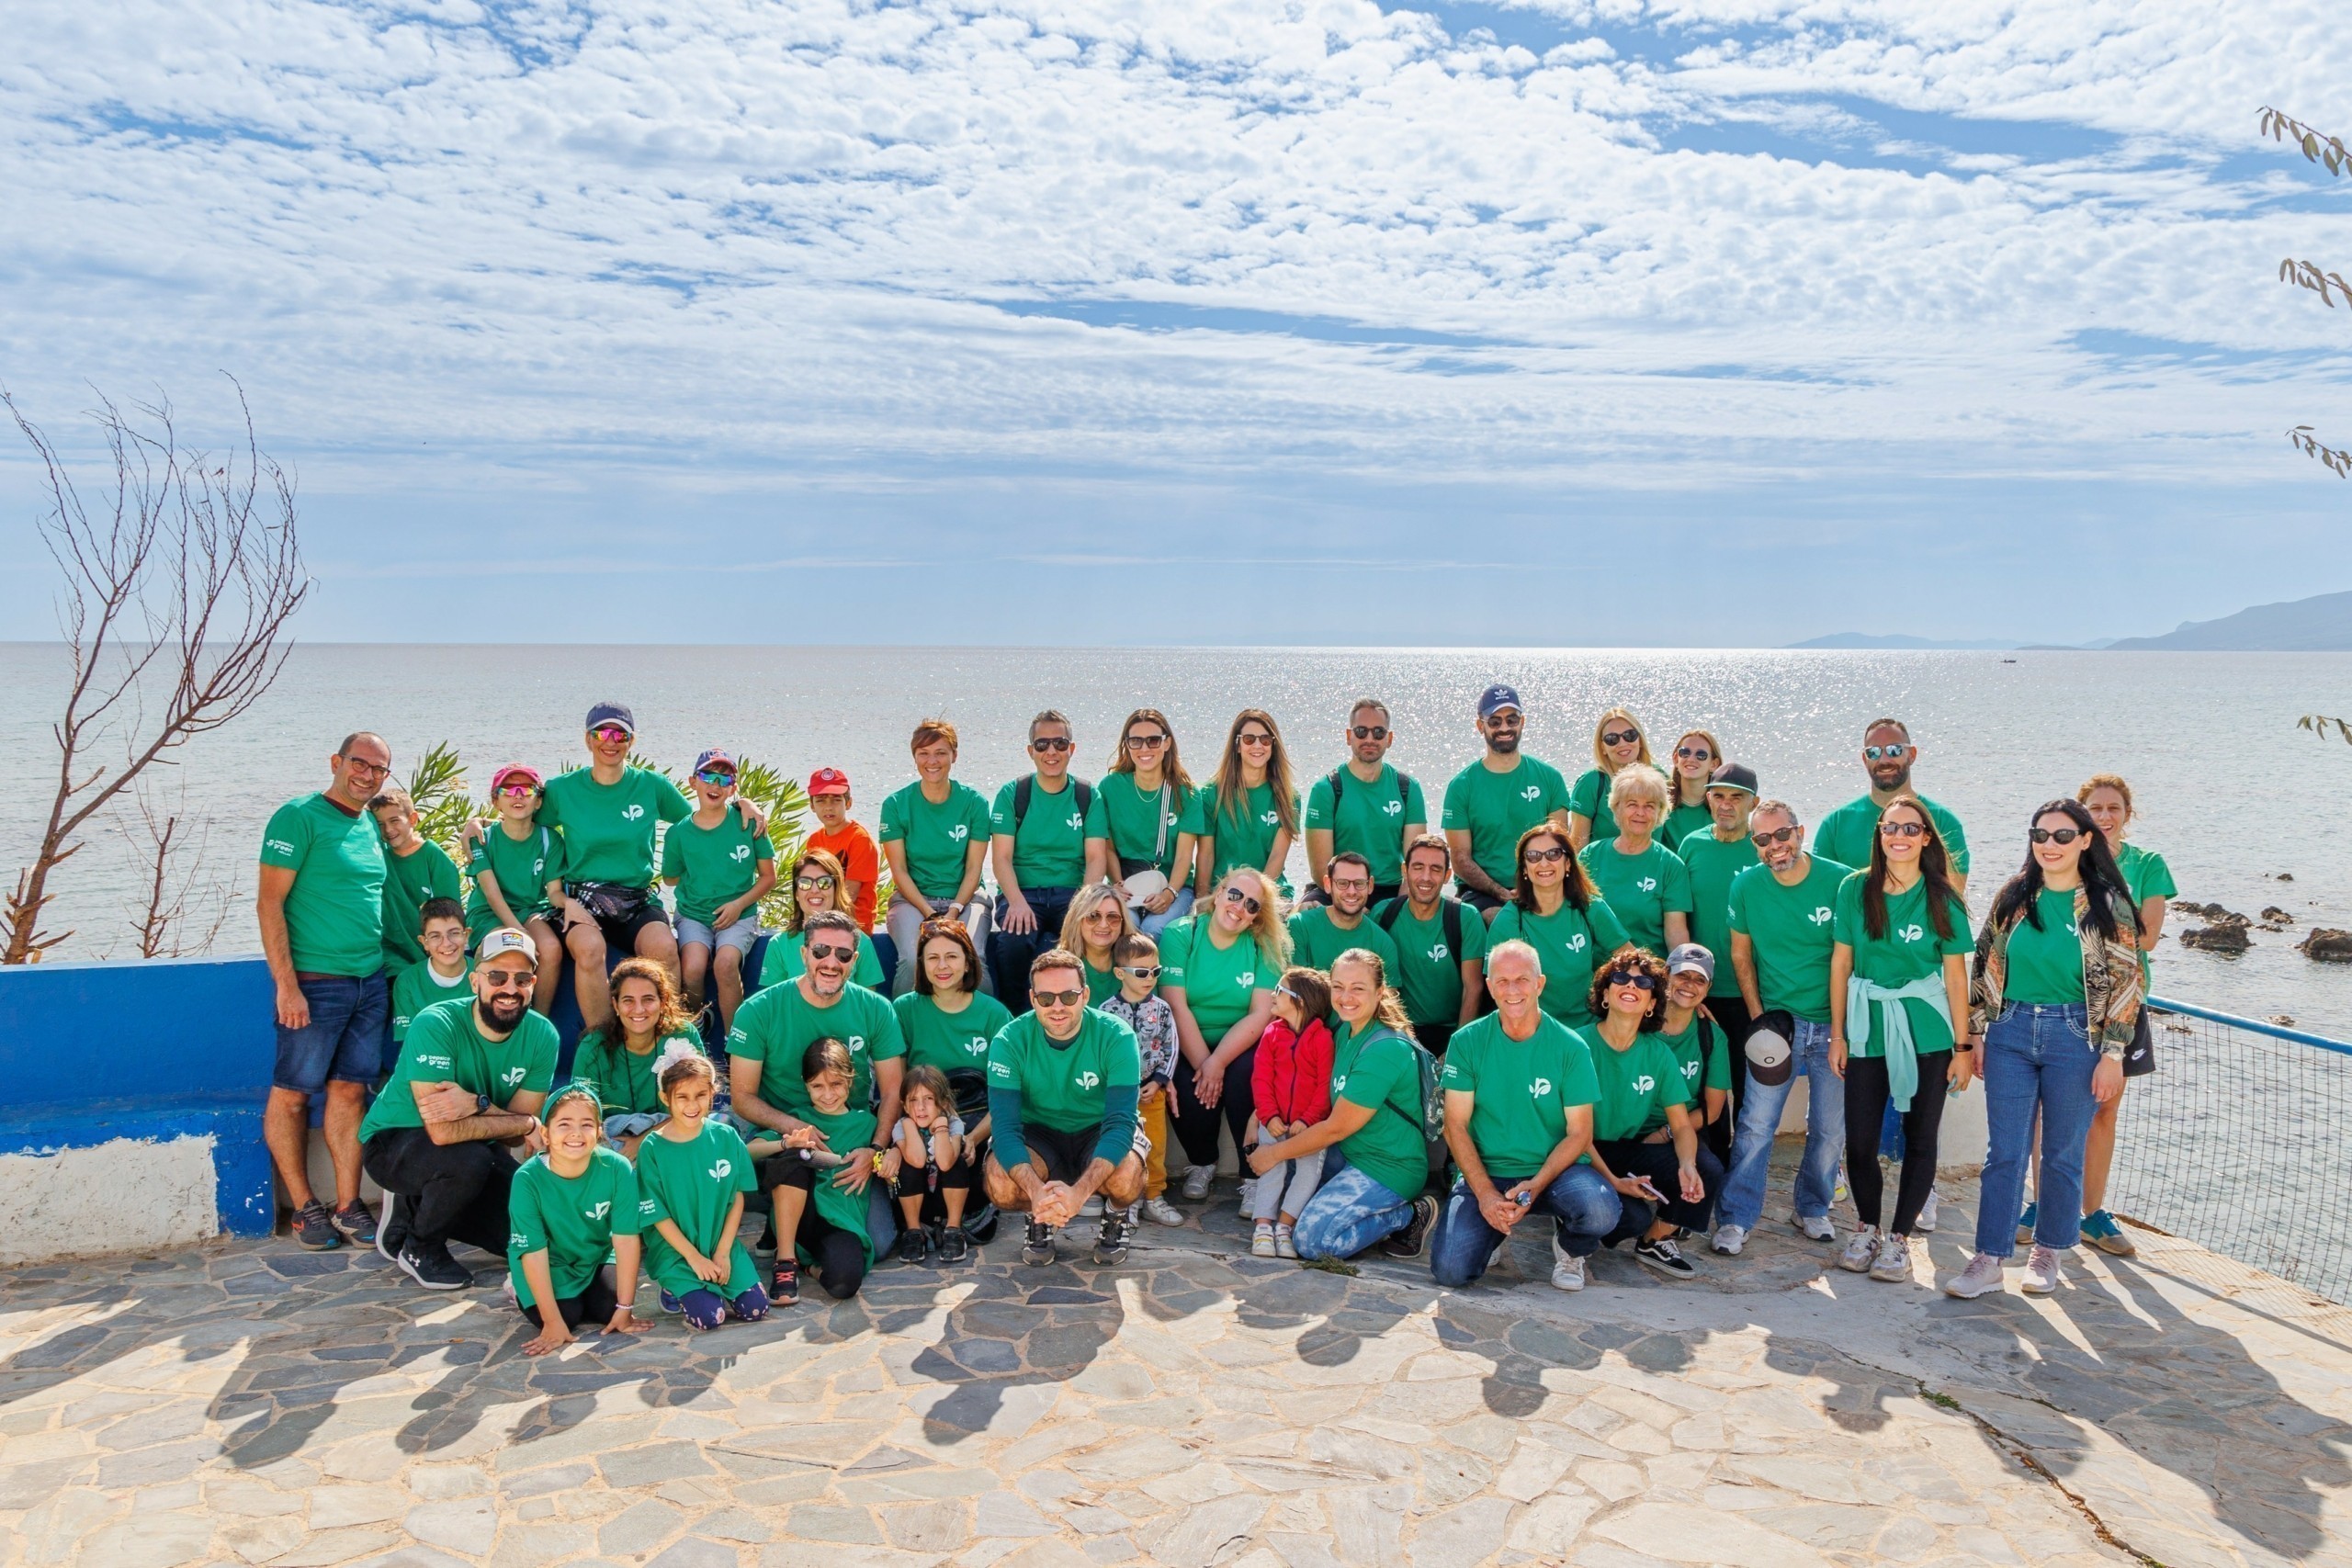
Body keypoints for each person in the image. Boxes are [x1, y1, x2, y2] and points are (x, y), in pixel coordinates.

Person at [1945, 800, 2143, 1300]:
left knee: (2061, 1153)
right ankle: (1989, 1259)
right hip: (2010, 1031)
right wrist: (1976, 1033)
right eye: (2040, 835)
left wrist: (2113, 1055)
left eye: (2061, 836)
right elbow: (1983, 963)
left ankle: (2048, 1251)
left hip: (2076, 1037)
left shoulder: (2106, 904)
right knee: (2004, 1153)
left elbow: (2127, 980)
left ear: (2085, 841)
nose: (2049, 845)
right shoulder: (2014, 896)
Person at [360, 927, 559, 1291]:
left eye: (522, 979)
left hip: (474, 1146)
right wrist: (521, 1122)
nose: (510, 989)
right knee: (468, 1162)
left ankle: (415, 1206)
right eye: (497, 977)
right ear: (475, 981)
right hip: (395, 1139)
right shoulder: (435, 1023)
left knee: (533, 1229)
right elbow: (443, 1131)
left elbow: (516, 1133)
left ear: (533, 984)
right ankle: (421, 1248)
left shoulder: (543, 1035)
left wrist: (478, 1105)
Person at [1826, 799, 1974, 1282]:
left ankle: (1898, 1240)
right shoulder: (1855, 888)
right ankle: (1867, 1228)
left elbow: (1956, 977)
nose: (1900, 836)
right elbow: (1842, 963)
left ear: (1926, 837)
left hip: (1927, 1029)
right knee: (1861, 1140)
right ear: (1880, 834)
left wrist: (1962, 1048)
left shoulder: (1943, 897)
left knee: (1920, 1138)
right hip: (1867, 1026)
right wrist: (1838, 1035)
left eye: (1911, 828)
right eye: (1891, 827)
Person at [539, 703, 754, 1032]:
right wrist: (479, 825)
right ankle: (602, 1044)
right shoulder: (562, 790)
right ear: (588, 739)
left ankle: (670, 1037)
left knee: (665, 948)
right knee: (590, 950)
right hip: (582, 901)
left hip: (636, 900)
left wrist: (742, 803)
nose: (611, 742)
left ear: (632, 741)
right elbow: (520, 821)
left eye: (620, 735)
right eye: (602, 733)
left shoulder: (651, 786)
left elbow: (700, 821)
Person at [259, 730, 393, 1252]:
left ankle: (347, 1204)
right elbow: (269, 904)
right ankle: (303, 1206)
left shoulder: (367, 824)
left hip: (369, 981)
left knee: (350, 1092)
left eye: (378, 769)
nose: (367, 775)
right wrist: (286, 986)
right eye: (359, 763)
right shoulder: (297, 817)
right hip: (315, 983)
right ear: (336, 761)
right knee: (293, 1094)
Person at [728, 908, 908, 1299]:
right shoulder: (759, 1009)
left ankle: (791, 1232)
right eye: (821, 951)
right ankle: (784, 1240)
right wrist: (794, 1129)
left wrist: (875, 1150)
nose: (831, 962)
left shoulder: (876, 1009)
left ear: (854, 960)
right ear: (804, 954)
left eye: (843, 955)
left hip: (850, 1138)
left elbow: (893, 1091)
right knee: (781, 1163)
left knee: (878, 1244)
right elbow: (742, 1097)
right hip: (783, 1140)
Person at [1427, 941, 1621, 1292]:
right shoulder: (1466, 1041)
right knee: (1450, 1271)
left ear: (1540, 984)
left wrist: (1537, 1184)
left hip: (1555, 1172)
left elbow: (1580, 1133)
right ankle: (1491, 1229)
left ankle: (1570, 1247)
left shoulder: (1571, 1047)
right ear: (1489, 987)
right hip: (1489, 1170)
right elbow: (1455, 1125)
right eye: (1502, 981)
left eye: (1522, 980)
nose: (1512, 990)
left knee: (1602, 1210)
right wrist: (1486, 1194)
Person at [1714, 800, 1852, 1256]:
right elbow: (1740, 955)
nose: (1774, 845)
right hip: (1779, 1024)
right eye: (1762, 838)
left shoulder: (1841, 882)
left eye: (1782, 834)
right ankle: (1735, 1218)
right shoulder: (1745, 886)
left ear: (1800, 832)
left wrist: (1842, 1029)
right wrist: (1760, 1021)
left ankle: (1812, 1207)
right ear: (1754, 844)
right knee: (1756, 1125)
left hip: (1832, 1025)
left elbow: (1851, 957)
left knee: (1830, 1130)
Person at [1253, 950, 1439, 1262]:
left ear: (1379, 992)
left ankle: (1408, 1215)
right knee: (1287, 1168)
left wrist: (1271, 1154)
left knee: (1311, 1241)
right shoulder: (1342, 1028)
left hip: (1386, 1166)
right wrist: (1259, 1117)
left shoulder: (1385, 1049)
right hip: (1346, 1154)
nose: (1345, 997)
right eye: (1338, 987)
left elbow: (1335, 1128)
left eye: (1358, 988)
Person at [982, 949, 1150, 1267]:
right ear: (1033, 999)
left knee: (1127, 1177)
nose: (1057, 1007)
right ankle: (1040, 1213)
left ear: (1085, 995)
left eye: (1068, 996)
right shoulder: (1009, 1041)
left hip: (1098, 1128)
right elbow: (1004, 1129)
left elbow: (1120, 1123)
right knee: (1000, 1184)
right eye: (1046, 998)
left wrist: (1079, 1194)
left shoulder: (1117, 1036)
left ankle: (1115, 1215)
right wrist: (1036, 1192)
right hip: (1038, 1133)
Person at [2070, 773, 2173, 1258]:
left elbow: (2148, 938)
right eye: (2096, 808)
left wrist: (2097, 910)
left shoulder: (2147, 864)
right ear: (2082, 813)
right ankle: (2044, 1205)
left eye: (2114, 808)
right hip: (2066, 999)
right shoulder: (2064, 855)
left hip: (2124, 1001)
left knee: (2104, 1109)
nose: (2105, 816)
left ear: (2127, 814)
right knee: (2051, 1110)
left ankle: (2091, 1213)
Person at [1579, 950, 1720, 1280]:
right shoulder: (1577, 1045)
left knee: (1705, 1169)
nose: (1631, 985)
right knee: (1630, 1217)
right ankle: (1573, 1222)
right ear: (1604, 994)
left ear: (1652, 1003)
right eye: (1621, 978)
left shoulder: (1658, 1054)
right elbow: (1573, 1135)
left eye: (1642, 983)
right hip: (1577, 1151)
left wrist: (1687, 1165)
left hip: (1623, 1147)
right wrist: (1614, 1181)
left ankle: (1654, 1241)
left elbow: (1681, 1126)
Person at [1161, 868, 1288, 1203]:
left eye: (1252, 905)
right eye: (1234, 895)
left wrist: (1217, 1063)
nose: (1239, 907)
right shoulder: (1181, 933)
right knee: (1183, 1083)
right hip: (1189, 1034)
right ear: (1218, 894)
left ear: (1256, 916)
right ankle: (1202, 1162)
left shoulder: (1265, 945)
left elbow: (1261, 1013)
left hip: (1241, 1039)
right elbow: (1176, 1005)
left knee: (1246, 1077)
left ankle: (1252, 1173)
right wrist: (1207, 1066)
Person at [891, 918, 1012, 1258]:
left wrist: (973, 1138)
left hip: (978, 1118)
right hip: (921, 1115)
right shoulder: (904, 1010)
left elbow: (1007, 1095)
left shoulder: (994, 1014)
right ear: (921, 965)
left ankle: (961, 1222)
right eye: (933, 958)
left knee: (964, 1166)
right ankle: (917, 1226)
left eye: (952, 956)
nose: (942, 966)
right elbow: (896, 1086)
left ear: (968, 962)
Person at [507, 1083, 650, 1356]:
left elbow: (626, 1238)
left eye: (586, 1125)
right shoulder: (527, 1179)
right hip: (548, 1259)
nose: (576, 1133)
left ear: (599, 1132)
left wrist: (626, 1308)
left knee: (609, 1310)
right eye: (564, 1124)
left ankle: (592, 1295)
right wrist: (551, 1322)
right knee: (566, 1316)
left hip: (594, 1256)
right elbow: (534, 1251)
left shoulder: (617, 1168)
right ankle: (515, 1285)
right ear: (546, 1134)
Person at [635, 1045, 770, 1330]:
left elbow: (736, 1198)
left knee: (756, 1309)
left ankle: (708, 1284)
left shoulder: (726, 1137)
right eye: (682, 1097)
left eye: (700, 1095)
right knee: (710, 1318)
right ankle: (674, 1287)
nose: (692, 1105)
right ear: (665, 1098)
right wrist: (694, 1258)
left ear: (712, 1093)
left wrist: (723, 1251)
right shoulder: (652, 1148)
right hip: (678, 1251)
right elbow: (657, 1214)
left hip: (718, 1242)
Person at [990, 710, 1107, 1006]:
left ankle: (1079, 1012)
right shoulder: (1014, 794)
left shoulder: (1087, 795)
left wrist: (1083, 905)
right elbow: (1001, 858)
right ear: (1031, 751)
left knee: (1082, 942)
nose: (1051, 752)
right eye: (1042, 745)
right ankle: (1016, 1015)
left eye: (1060, 743)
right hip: (1024, 892)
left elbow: (1096, 858)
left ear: (1072, 749)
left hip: (1072, 893)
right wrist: (1016, 902)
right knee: (1013, 943)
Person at [760, 1038, 881, 1303]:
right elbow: (748, 1151)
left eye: (836, 1084)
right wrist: (787, 1142)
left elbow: (890, 1159)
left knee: (845, 1284)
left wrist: (876, 1156)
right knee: (795, 1156)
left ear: (850, 1080)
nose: (828, 1095)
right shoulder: (798, 1118)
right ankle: (785, 1260)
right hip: (800, 1216)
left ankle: (809, 1267)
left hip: (841, 1221)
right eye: (817, 1086)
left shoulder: (867, 1123)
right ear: (806, 1085)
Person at [662, 748, 777, 1029]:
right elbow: (670, 878)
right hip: (694, 915)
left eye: (724, 780)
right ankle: (696, 1024)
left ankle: (734, 1038)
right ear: (693, 782)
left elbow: (768, 877)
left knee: (725, 964)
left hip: (741, 914)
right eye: (708, 777)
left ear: (733, 789)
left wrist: (738, 905)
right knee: (692, 967)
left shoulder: (749, 823)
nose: (715, 785)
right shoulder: (678, 833)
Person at [881, 720, 994, 997]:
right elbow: (900, 871)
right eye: (924, 753)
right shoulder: (895, 805)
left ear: (954, 755)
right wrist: (930, 914)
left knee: (973, 956)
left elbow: (973, 869)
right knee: (912, 958)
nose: (932, 761)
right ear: (915, 757)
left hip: (966, 898)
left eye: (941, 753)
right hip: (912, 900)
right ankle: (901, 1022)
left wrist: (953, 912)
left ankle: (988, 1021)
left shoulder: (974, 803)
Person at [1442, 683, 1572, 918]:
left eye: (1511, 720)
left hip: (1542, 884)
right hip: (1483, 892)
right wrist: (1500, 892)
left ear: (1522, 722)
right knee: (1498, 921)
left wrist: (1535, 888)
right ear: (1480, 726)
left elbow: (1558, 848)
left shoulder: (1550, 778)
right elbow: (1460, 859)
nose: (1504, 728)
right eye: (1495, 721)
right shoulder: (1461, 786)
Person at [1487, 825, 1629, 1030]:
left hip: (1590, 1027)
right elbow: (1498, 989)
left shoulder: (1590, 908)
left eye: (1553, 854)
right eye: (1533, 856)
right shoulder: (1509, 921)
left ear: (1568, 863)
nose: (1544, 862)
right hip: (1535, 1030)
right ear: (1525, 868)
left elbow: (1631, 960)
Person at [1810, 719, 1971, 895]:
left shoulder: (1944, 822)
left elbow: (1952, 898)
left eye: (1895, 750)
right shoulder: (1835, 824)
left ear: (1912, 755)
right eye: (1873, 752)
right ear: (1865, 759)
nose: (1884, 760)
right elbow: (1821, 893)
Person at [571, 958, 707, 1156]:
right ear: (615, 1005)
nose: (639, 1009)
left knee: (718, 1128)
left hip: (673, 1130)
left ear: (663, 1001)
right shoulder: (593, 1046)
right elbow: (580, 1112)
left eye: (648, 999)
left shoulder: (683, 1035)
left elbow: (700, 1103)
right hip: (613, 1138)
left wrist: (643, 1141)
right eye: (628, 1001)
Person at [463, 762, 567, 1015]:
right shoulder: (482, 838)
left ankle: (538, 1019)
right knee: (510, 949)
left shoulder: (549, 839)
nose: (517, 796)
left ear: (538, 801)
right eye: (508, 790)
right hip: (489, 913)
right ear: (495, 801)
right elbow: (492, 894)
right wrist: (519, 932)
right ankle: (495, 1016)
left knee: (551, 949)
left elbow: (554, 892)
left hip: (530, 910)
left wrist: (572, 906)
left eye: (527, 790)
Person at [1247, 969, 1336, 1258]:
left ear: (1300, 1001)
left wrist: (1308, 1120)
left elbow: (1324, 1086)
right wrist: (1268, 1116)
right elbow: (1261, 1078)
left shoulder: (1323, 1039)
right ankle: (1263, 1227)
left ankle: (1285, 1227)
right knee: (1272, 1169)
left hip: (1308, 1126)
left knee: (1308, 1173)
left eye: (1279, 990)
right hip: (1273, 1122)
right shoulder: (1271, 1034)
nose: (1272, 995)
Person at [1372, 834, 1487, 1057]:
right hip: (1400, 1030)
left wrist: (1456, 1050)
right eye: (1418, 867)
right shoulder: (1383, 914)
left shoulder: (1465, 918)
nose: (1426, 877)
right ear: (1405, 871)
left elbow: (1473, 989)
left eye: (1435, 869)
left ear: (1447, 876)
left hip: (1453, 1030)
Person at [1303, 699, 1427, 905]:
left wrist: (1399, 909)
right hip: (1341, 888)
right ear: (1349, 736)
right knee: (1303, 914)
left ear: (1389, 739)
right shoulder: (1326, 789)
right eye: (1361, 731)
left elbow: (1416, 862)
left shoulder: (1407, 788)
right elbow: (1320, 870)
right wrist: (1353, 905)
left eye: (1378, 732)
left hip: (1391, 890)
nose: (1370, 739)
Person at [1100, 931, 1185, 1228]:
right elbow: (1100, 1053)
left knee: (1156, 1146)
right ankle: (1127, 1199)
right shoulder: (1106, 1012)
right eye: (1141, 972)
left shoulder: (1161, 1009)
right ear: (1120, 973)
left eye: (1155, 971)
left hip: (1151, 1091)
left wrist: (1160, 1080)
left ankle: (1153, 1196)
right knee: (1122, 1145)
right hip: (1118, 1096)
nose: (1150, 978)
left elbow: (1171, 1047)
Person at [1679, 762, 1762, 1057]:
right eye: (1718, 796)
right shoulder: (1692, 845)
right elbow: (1678, 916)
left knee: (1746, 1076)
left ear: (1754, 803)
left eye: (1736, 798)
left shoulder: (1763, 848)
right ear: (1708, 799)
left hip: (1752, 990)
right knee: (1703, 1076)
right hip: (1699, 988)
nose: (1725, 805)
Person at [1092, 708, 1196, 935]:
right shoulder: (1110, 787)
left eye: (1153, 740)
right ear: (1127, 745)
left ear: (1167, 743)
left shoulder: (1185, 793)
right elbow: (1107, 848)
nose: (1145, 748)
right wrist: (1118, 885)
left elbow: (1183, 857)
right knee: (1122, 925)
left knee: (1153, 929)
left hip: (1175, 887)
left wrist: (1169, 894)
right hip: (1127, 884)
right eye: (1136, 741)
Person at [1576, 766, 1692, 958]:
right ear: (1616, 808)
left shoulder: (1671, 865)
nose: (1640, 812)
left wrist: (1679, 970)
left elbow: (1676, 932)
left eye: (1649, 806)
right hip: (1593, 969)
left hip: (1646, 971)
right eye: (1632, 804)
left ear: (1660, 812)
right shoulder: (1590, 855)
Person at [1185, 709, 1301, 902]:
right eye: (1249, 739)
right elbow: (1205, 856)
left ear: (1273, 745)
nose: (1258, 745)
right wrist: (1203, 902)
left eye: (1265, 739)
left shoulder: (1289, 798)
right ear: (1237, 746)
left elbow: (1277, 858)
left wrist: (1255, 903)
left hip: (1268, 894)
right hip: (1222, 894)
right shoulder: (1210, 795)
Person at [759, 848, 888, 990]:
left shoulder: (861, 942)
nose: (814, 890)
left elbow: (867, 1001)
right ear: (796, 894)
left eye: (824, 882)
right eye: (805, 883)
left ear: (836, 890)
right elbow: (773, 1001)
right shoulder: (779, 945)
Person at [1655, 945, 1734, 1167]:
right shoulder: (1637, 1022)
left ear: (1708, 988)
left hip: (1680, 1130)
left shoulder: (1712, 1037)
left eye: (1700, 980)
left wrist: (1664, 1134)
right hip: (1628, 1132)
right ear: (1665, 974)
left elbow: (1713, 1110)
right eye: (1683, 975)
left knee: (1710, 1171)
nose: (1690, 985)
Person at [370, 786, 459, 979]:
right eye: (380, 824)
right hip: (388, 954)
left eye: (395, 821)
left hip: (428, 954)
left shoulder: (433, 856)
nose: (388, 830)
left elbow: (451, 914)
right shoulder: (379, 856)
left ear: (412, 819)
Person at [892, 1065, 970, 1264]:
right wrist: (908, 1124)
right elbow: (917, 1160)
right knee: (907, 1166)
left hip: (946, 1199)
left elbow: (945, 1163)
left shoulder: (953, 1123)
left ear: (943, 1103)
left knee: (956, 1162)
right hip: (918, 1204)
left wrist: (942, 1126)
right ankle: (913, 1231)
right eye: (913, 1100)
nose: (920, 1107)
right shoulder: (901, 1127)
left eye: (928, 1099)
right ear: (904, 1105)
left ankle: (954, 1229)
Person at [1286, 852, 1403, 980]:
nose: (1351, 891)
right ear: (1328, 884)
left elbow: (1388, 993)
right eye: (1342, 883)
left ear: (1370, 885)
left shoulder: (1383, 944)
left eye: (1359, 883)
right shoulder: (1299, 926)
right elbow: (1294, 986)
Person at [1568, 706, 1666, 852]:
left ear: (1640, 739)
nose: (1622, 743)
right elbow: (1577, 848)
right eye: (1612, 739)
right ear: (1602, 747)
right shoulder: (1591, 783)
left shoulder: (1660, 777)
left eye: (1630, 735)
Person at [804, 768, 880, 935]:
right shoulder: (814, 840)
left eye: (836, 800)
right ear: (812, 806)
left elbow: (850, 894)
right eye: (821, 801)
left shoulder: (859, 839)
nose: (828, 807)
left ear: (848, 803)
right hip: (823, 919)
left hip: (854, 925)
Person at [390, 897, 471, 1046]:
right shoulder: (408, 981)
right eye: (435, 936)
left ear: (466, 935)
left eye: (454, 933)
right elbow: (409, 1042)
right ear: (424, 942)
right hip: (428, 1056)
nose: (446, 943)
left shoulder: (485, 973)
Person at [1059, 884, 1136, 1004]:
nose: (1103, 925)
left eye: (1113, 917)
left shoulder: (1137, 965)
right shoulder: (1058, 967)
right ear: (1077, 920)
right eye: (1093, 916)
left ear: (1123, 923)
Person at [1659, 730, 1724, 851]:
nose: (1691, 759)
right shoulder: (1660, 803)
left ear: (1714, 764)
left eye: (1701, 755)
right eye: (1684, 752)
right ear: (1676, 759)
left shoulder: (1723, 810)